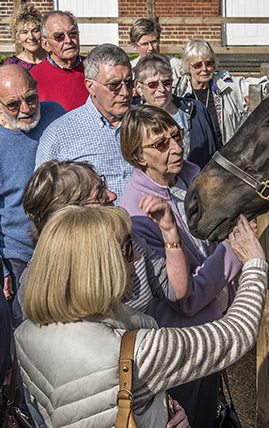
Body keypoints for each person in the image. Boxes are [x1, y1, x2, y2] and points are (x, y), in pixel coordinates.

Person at [14, 206, 267, 427]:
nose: (137, 255)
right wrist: (254, 264)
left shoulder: (26, 334)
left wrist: (156, 410)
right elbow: (237, 334)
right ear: (98, 268)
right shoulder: (132, 353)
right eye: (126, 248)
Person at [119, 105, 244, 426]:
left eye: (177, 136)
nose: (176, 147)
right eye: (161, 144)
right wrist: (236, 249)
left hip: (213, 326)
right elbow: (185, 298)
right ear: (138, 156)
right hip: (182, 348)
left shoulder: (191, 173)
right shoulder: (137, 213)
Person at [19, 160, 191, 319]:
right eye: (100, 193)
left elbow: (176, 290)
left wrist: (169, 231)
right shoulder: (41, 281)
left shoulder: (128, 240)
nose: (112, 195)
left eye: (104, 185)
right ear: (71, 214)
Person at [0, 65, 66, 327]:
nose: (26, 109)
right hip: (18, 254)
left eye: (31, 97)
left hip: (62, 244)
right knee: (27, 334)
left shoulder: (55, 114)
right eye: (13, 104)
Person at [36, 43, 135, 203]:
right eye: (114, 85)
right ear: (90, 86)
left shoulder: (146, 121)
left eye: (129, 82)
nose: (125, 92)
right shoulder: (59, 134)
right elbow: (44, 198)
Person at [175, 39, 269, 146]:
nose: (204, 69)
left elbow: (266, 85)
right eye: (197, 65)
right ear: (188, 67)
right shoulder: (179, 91)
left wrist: (261, 96)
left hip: (225, 156)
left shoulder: (228, 86)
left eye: (209, 63)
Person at [134, 53, 220, 168]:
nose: (161, 89)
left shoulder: (196, 110)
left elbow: (213, 153)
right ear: (139, 89)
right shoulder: (134, 122)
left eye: (166, 82)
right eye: (153, 84)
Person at [30, 10, 88, 111]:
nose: (68, 40)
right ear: (45, 44)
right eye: (59, 37)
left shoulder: (95, 67)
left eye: (72, 33)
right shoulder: (33, 78)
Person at [129, 18, 182, 87]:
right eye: (145, 44)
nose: (150, 48)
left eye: (154, 42)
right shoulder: (130, 69)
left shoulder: (175, 65)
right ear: (134, 46)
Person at [3, 4, 47, 70]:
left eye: (35, 31)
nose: (31, 37)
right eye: (24, 32)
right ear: (18, 37)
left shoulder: (54, 60)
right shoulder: (11, 65)